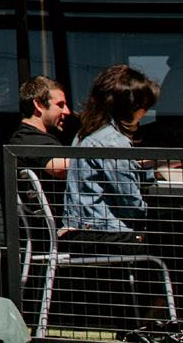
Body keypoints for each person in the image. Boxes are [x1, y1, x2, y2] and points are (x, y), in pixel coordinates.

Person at [61, 65, 160, 242]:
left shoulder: (85, 133)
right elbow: (130, 201)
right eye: (144, 106)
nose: (145, 113)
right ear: (130, 107)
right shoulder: (113, 142)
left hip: (83, 229)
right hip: (108, 234)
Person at [8, 75, 72, 173]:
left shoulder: (29, 137)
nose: (67, 111)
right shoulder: (29, 139)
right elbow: (59, 169)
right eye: (60, 105)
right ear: (38, 104)